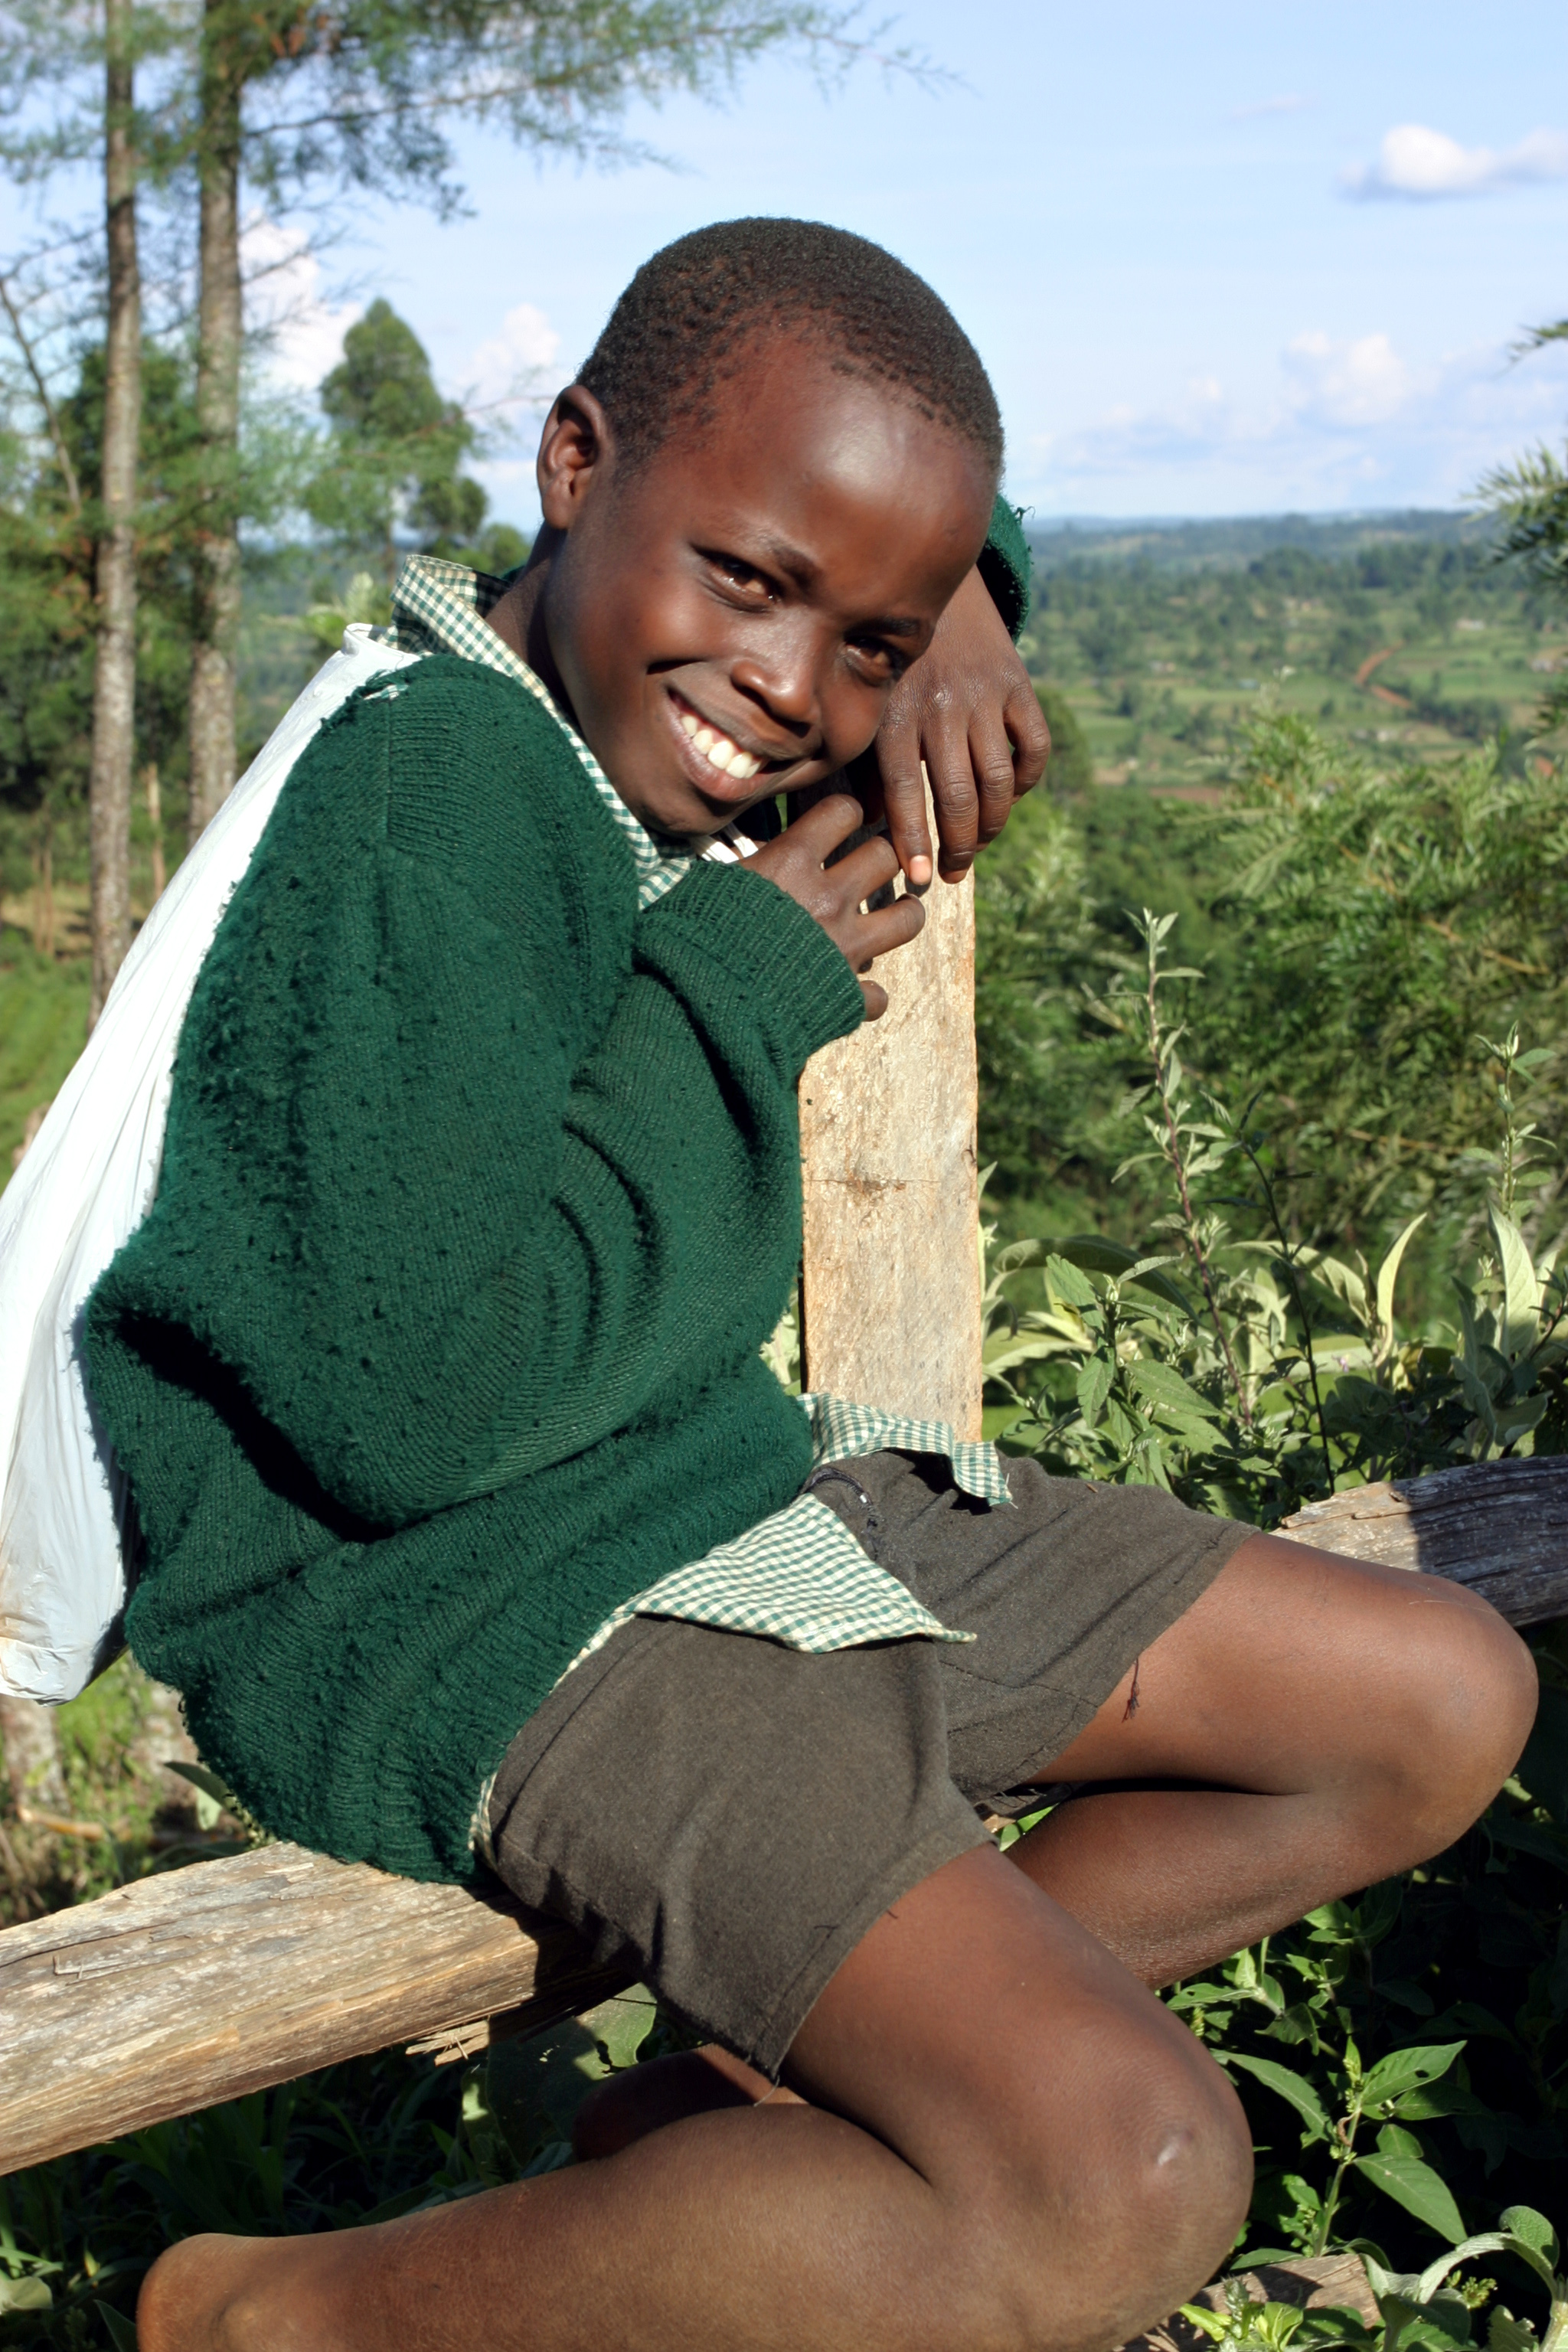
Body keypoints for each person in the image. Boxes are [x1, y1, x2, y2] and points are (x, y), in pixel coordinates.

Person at [85, 220, 1535, 2352]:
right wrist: (735, 988)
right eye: (753, 586)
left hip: (705, 1497)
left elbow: (835, 476)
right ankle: (268, 2319)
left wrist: (959, 602)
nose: (793, 691)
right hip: (487, 1608)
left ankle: (737, 2131)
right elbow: (410, 1400)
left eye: (862, 642)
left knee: (1434, 1702)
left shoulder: (639, 698)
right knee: (1123, 2174)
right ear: (571, 466)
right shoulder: (450, 792)